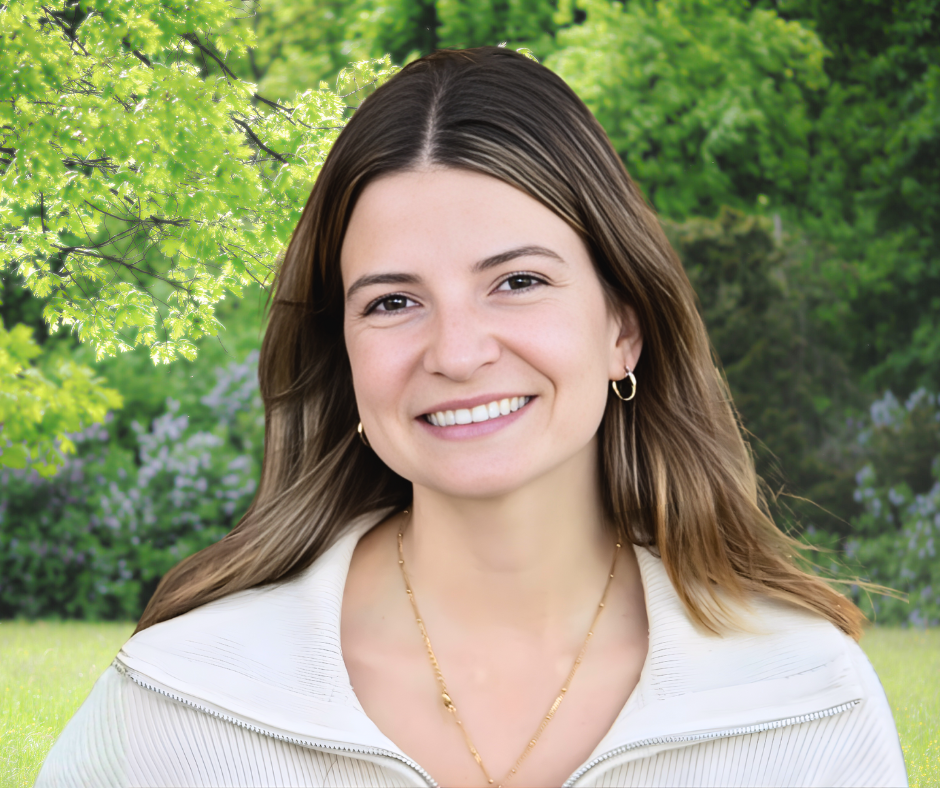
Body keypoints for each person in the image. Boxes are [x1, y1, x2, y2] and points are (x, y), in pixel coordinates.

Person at [38, 46, 907, 788]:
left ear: (623, 327)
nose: (457, 351)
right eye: (391, 302)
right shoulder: (183, 700)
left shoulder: (805, 703)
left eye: (518, 283)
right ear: (343, 356)